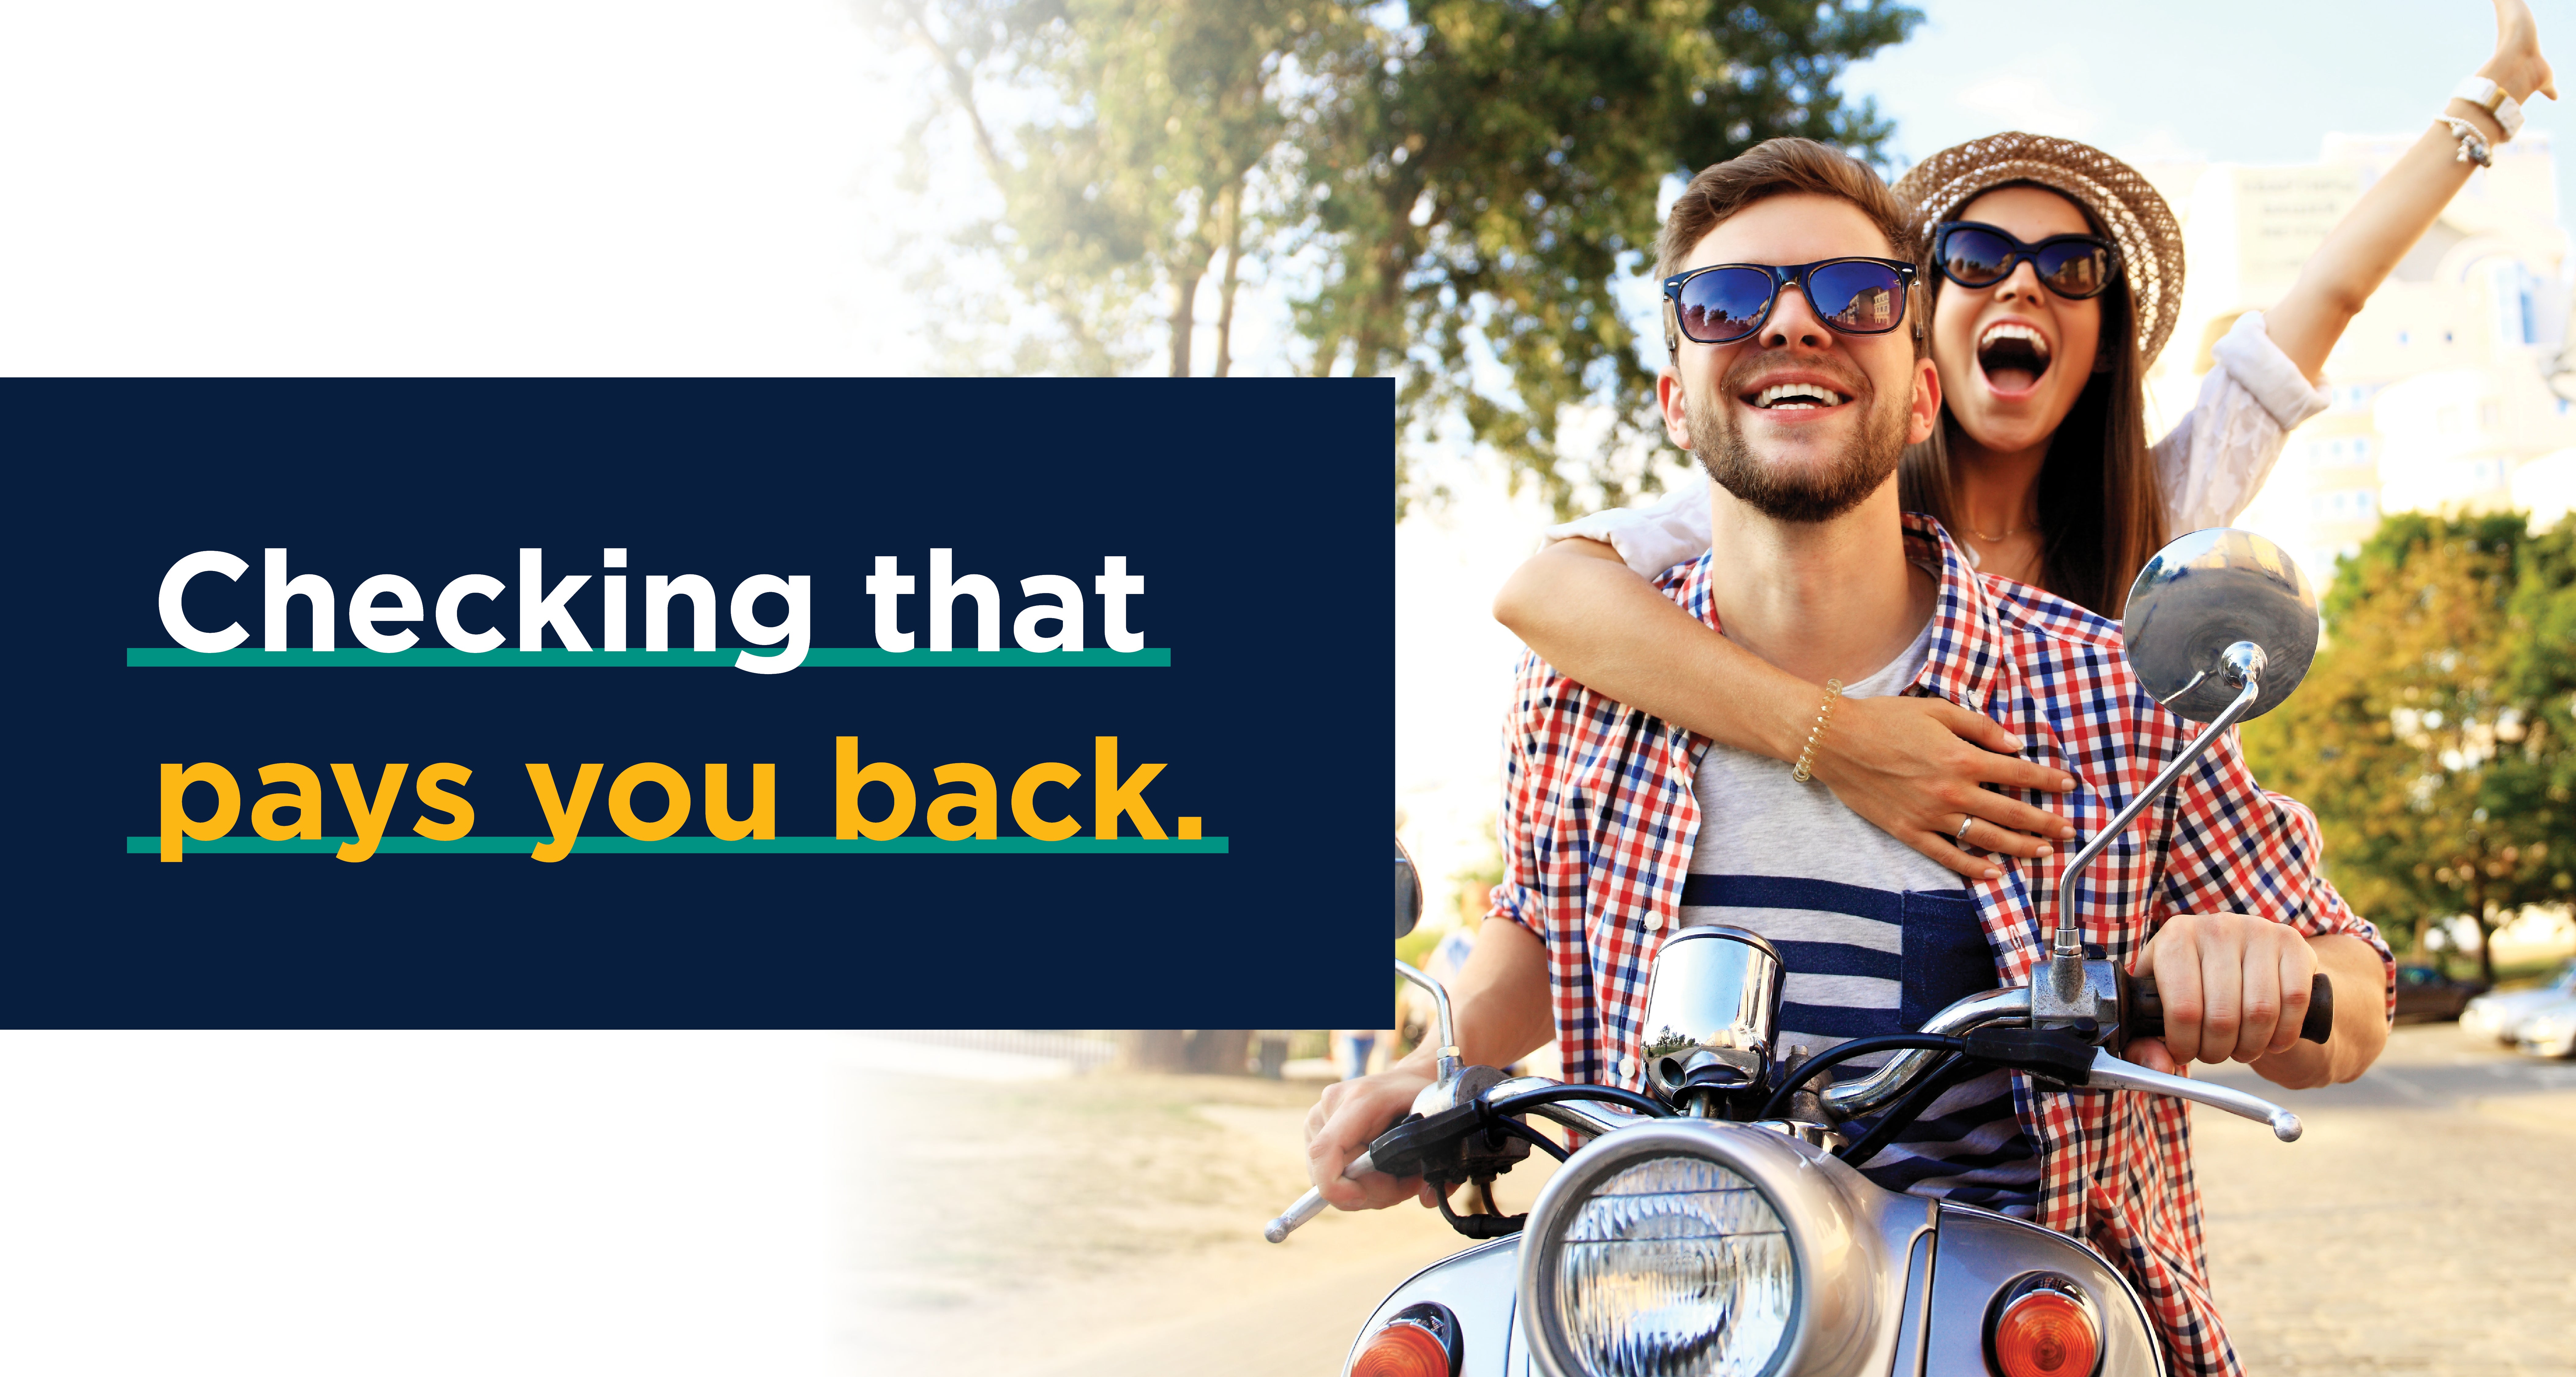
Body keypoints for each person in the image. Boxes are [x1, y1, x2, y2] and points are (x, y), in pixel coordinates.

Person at [1307, 139, 2393, 1377]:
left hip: (2005, 1329)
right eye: (1724, 303)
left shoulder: (2108, 683)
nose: (1789, 323)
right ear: (1676, 397)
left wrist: (2258, 972)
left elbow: (2351, 997)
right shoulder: (1583, 688)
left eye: (1852, 297)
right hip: (1658, 1323)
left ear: (1918, 389)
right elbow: (1542, 934)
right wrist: (1426, 1079)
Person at [1492, 0, 2558, 888]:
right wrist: (1840, 740)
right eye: (1976, 254)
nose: (2021, 283)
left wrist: (2489, 103)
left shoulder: (2163, 513)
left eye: (2071, 268)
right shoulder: (1829, 493)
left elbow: (2327, 292)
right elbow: (1546, 592)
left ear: (2102, 346)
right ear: (1916, 331)